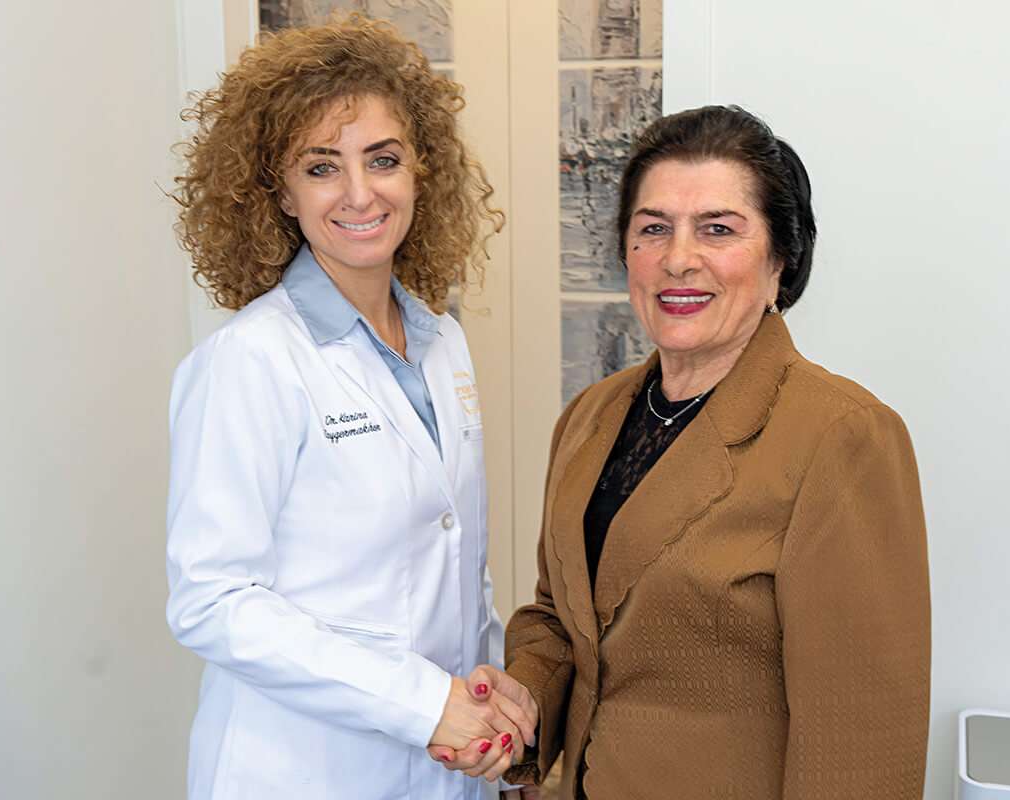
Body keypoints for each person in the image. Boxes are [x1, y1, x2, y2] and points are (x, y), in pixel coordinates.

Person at [436, 105, 931, 798]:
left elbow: (863, 739)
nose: (677, 259)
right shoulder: (590, 417)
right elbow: (562, 617)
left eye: (718, 230)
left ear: (780, 260)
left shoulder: (842, 436)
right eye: (653, 229)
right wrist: (521, 704)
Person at [165, 16, 535, 799]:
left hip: (444, 765)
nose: (361, 193)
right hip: (302, 770)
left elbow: (456, 566)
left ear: (420, 172)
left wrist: (489, 706)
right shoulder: (252, 361)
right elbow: (213, 601)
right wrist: (423, 702)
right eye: (323, 166)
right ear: (280, 190)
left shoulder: (442, 343)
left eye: (384, 160)